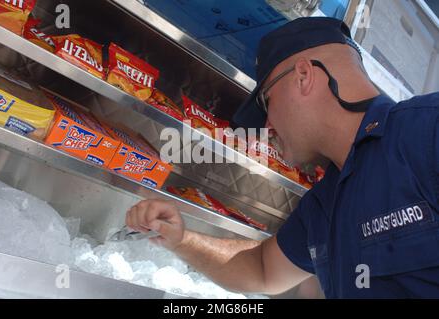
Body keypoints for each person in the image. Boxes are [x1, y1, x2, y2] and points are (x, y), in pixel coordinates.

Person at [126, 17, 439, 298]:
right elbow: (262, 269)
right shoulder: (322, 205)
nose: (266, 127)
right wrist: (180, 240)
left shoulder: (426, 131)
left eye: (266, 102)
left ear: (303, 76)